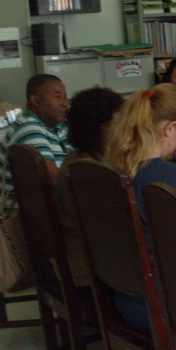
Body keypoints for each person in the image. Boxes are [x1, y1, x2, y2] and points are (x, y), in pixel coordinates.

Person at [105, 83, 176, 334]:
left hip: (126, 298)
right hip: (163, 308)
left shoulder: (113, 169)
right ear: (170, 128)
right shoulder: (167, 176)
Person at [55, 87, 124, 287]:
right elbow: (120, 228)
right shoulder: (90, 173)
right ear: (104, 129)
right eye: (122, 123)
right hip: (93, 274)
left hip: (87, 262)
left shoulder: (76, 160)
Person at [0, 74, 71, 222]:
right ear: (36, 100)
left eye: (65, 97)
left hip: (40, 220)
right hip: (16, 227)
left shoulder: (57, 127)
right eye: (58, 97)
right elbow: (54, 180)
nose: (64, 103)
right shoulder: (28, 127)